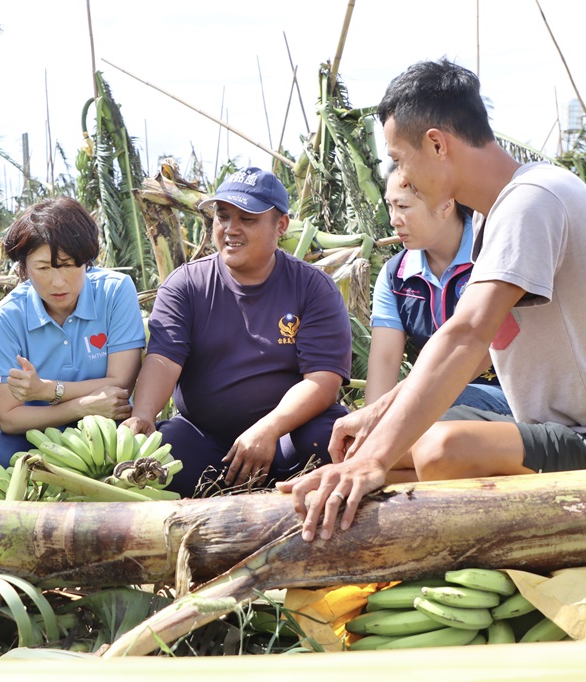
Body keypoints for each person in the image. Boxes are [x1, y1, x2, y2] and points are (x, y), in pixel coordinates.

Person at [279, 58, 586, 542]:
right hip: (547, 426)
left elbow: (468, 334)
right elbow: (492, 343)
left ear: (437, 144)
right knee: (372, 443)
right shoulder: (493, 214)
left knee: (439, 449)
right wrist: (378, 415)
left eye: (399, 159)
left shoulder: (532, 200)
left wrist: (373, 460)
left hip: (577, 434)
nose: (400, 175)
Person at [123, 167, 353, 497]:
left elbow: (323, 381)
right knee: (162, 456)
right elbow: (163, 359)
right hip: (205, 437)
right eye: (223, 216)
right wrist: (143, 414)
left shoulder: (313, 288)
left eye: (247, 219)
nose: (231, 229)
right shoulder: (186, 285)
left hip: (287, 436)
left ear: (281, 225)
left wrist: (268, 429)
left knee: (328, 440)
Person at [0, 197, 146, 465]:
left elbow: (120, 386)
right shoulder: (8, 316)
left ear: (87, 261)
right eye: (43, 268)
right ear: (23, 268)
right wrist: (79, 407)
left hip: (109, 422)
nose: (58, 283)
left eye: (68, 265)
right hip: (34, 430)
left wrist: (46, 391)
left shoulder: (115, 291)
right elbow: (9, 417)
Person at [367, 167, 510, 420]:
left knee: (429, 411)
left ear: (446, 204)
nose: (393, 220)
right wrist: (369, 421)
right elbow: (385, 360)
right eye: (390, 206)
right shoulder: (394, 276)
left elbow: (484, 347)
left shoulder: (492, 254)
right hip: (434, 395)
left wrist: (399, 406)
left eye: (403, 206)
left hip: (513, 395)